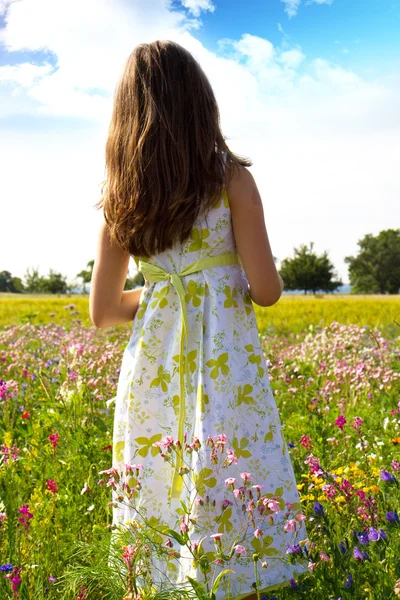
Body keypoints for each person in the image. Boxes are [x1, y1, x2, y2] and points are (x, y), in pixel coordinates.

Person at [90, 40, 307, 599]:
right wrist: (212, 282)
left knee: (157, 485)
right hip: (223, 372)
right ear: (200, 104)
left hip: (153, 378)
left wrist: (165, 292)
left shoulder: (122, 198)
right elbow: (266, 290)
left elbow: (105, 311)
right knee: (231, 478)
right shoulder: (231, 180)